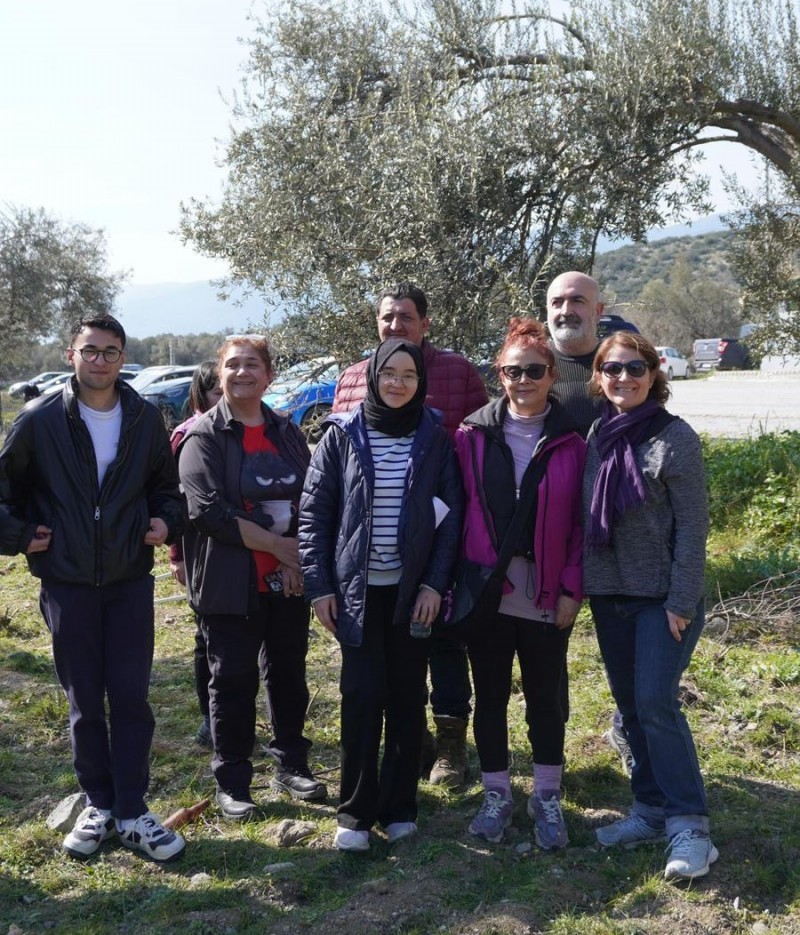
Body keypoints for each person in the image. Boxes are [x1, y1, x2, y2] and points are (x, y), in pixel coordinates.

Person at [0, 313, 186, 862]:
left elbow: (166, 488)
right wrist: (19, 535)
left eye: (110, 351)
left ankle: (132, 810)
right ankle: (98, 804)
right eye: (90, 350)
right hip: (67, 582)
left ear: (122, 358)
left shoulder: (145, 418)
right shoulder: (38, 420)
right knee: (84, 701)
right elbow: (4, 491)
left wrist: (166, 522)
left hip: (129, 580)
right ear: (71, 355)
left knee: (131, 698)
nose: (99, 360)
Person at [299, 338, 463, 852]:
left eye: (409, 375)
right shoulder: (342, 434)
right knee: (362, 697)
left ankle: (399, 808)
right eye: (389, 372)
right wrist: (319, 587)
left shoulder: (434, 435)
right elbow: (314, 515)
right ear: (372, 376)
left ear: (421, 382)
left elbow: (451, 517)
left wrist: (435, 583)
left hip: (411, 595)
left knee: (407, 699)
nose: (398, 383)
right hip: (357, 594)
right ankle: (354, 812)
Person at [333, 282, 488, 786]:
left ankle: (451, 746)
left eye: (405, 316)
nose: (396, 325)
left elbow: (481, 440)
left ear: (425, 323)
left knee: (444, 642)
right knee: (390, 652)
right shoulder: (353, 377)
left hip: (441, 536)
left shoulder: (457, 371)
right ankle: (412, 739)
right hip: (374, 552)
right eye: (387, 317)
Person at [584, 332, 716, 881]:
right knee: (631, 707)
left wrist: (682, 600)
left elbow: (693, 529)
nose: (624, 377)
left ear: (653, 373)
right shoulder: (598, 433)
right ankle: (650, 810)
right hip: (610, 595)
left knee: (656, 702)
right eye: (613, 368)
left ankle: (691, 827)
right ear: (599, 376)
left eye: (635, 368)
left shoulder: (674, 437)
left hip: (663, 600)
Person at [178, 336, 326, 821]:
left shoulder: (286, 431)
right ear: (219, 374)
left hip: (288, 580)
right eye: (233, 365)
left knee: (289, 674)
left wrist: (295, 558)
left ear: (269, 375)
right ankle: (234, 780)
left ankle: (292, 764)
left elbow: (313, 496)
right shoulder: (203, 437)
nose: (243, 373)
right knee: (232, 681)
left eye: (253, 365)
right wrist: (279, 548)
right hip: (229, 583)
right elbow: (207, 511)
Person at [455, 318, 586, 848]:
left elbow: (581, 523)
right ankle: (497, 794)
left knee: (544, 698)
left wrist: (572, 589)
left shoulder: (574, 442)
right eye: (514, 371)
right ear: (499, 375)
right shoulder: (471, 436)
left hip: (546, 592)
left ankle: (547, 796)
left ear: (552, 375)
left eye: (535, 370)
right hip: (488, 590)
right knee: (489, 696)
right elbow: (456, 510)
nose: (524, 380)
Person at [546, 270, 633, 776]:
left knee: (625, 643)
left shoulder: (619, 364)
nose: (567, 310)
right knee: (548, 650)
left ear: (598, 310)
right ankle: (550, 752)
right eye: (557, 301)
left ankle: (629, 727)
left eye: (578, 300)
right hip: (551, 537)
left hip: (615, 533)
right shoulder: (535, 367)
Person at [168, 362, 223, 747]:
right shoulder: (186, 435)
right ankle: (210, 720)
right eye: (216, 391)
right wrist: (177, 555)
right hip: (201, 554)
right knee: (208, 638)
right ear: (201, 395)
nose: (225, 397)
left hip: (248, 555)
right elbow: (175, 501)